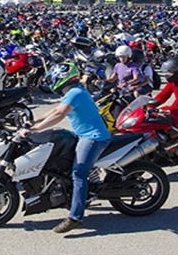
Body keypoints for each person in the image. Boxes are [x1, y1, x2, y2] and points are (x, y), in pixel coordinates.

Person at [20, 62, 111, 233]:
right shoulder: (73, 92)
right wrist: (35, 122)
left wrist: (34, 129)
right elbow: (56, 110)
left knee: (78, 173)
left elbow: (59, 115)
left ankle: (75, 217)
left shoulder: (75, 92)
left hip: (93, 138)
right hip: (83, 135)